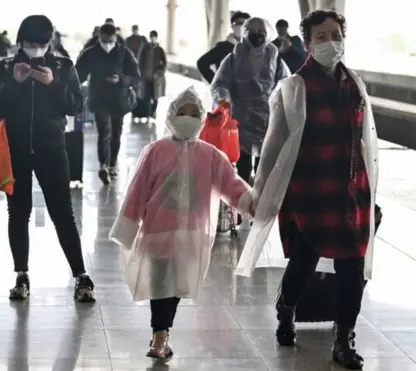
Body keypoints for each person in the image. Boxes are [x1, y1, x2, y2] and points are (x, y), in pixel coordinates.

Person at [234, 11, 379, 370]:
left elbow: (366, 144)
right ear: (309, 43)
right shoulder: (294, 88)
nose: (330, 41)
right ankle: (286, 308)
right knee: (305, 260)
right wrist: (260, 190)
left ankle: (344, 338)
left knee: (352, 268)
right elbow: (274, 145)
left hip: (351, 191)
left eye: (335, 34)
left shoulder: (355, 84)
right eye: (321, 36)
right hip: (311, 190)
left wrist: (373, 189)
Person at [110, 86, 254, 360]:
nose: (187, 118)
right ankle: (159, 335)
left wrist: (249, 200)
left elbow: (230, 184)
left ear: (201, 119)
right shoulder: (155, 151)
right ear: (171, 116)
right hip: (158, 231)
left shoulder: (211, 156)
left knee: (175, 285)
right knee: (161, 282)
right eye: (182, 112)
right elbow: (137, 190)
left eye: (193, 114)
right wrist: (128, 228)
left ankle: (163, 332)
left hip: (192, 234)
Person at [0, 15, 96, 303]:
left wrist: (53, 84)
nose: (37, 49)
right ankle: (21, 275)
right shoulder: (7, 67)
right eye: (32, 44)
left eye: (43, 44)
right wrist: (16, 83)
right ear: (20, 41)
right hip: (16, 149)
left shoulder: (62, 66)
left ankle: (81, 276)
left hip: (52, 149)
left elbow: (76, 107)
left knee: (63, 214)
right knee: (18, 213)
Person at [210, 17, 290, 185]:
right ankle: (242, 197)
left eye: (261, 32)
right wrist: (224, 98)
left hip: (267, 118)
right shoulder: (233, 57)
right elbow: (220, 83)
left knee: (265, 162)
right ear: (244, 34)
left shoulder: (275, 58)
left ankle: (260, 198)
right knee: (242, 161)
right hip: (241, 117)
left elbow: (286, 84)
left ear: (268, 34)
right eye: (252, 32)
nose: (256, 35)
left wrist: (283, 106)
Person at [76, 23, 140, 185]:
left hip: (119, 100)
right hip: (99, 99)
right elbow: (78, 74)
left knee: (116, 134)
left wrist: (122, 80)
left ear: (115, 38)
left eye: (110, 41)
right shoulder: (90, 53)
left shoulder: (124, 53)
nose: (107, 44)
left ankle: (112, 165)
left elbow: (135, 76)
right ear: (99, 38)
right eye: (104, 40)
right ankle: (103, 165)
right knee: (104, 131)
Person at [197, 11, 250, 83]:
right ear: (232, 26)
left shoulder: (253, 49)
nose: (241, 27)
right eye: (238, 24)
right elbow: (202, 63)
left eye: (244, 24)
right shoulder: (222, 47)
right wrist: (216, 83)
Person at [137, 30, 167, 119]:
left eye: (154, 37)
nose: (153, 39)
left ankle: (153, 111)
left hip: (155, 78)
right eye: (152, 37)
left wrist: (159, 73)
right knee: (146, 96)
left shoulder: (160, 49)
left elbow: (164, 63)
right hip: (145, 77)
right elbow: (140, 61)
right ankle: (148, 113)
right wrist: (141, 72)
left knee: (155, 97)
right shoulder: (145, 48)